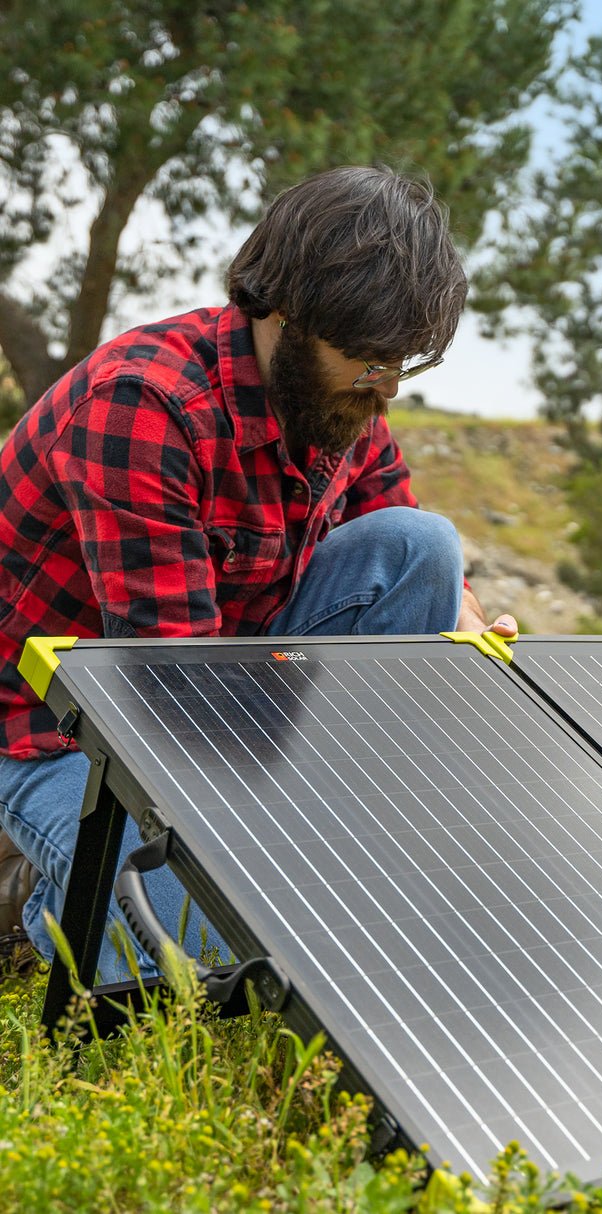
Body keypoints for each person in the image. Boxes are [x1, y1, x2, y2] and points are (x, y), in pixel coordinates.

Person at [0, 165, 516, 981]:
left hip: (231, 681)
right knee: (202, 951)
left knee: (426, 548)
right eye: (367, 359)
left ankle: (269, 868)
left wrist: (468, 620)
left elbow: (411, 560)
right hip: (64, 730)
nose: (383, 388)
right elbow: (164, 709)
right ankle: (36, 888)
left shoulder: (342, 400)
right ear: (282, 309)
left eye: (400, 364)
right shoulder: (145, 405)